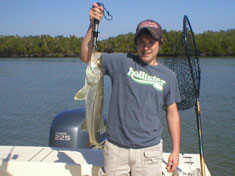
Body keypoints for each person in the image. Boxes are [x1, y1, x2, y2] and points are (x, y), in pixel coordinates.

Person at [80, 2, 181, 176]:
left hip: (149, 151)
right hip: (116, 149)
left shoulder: (169, 76)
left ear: (160, 43)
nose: (146, 47)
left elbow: (172, 113)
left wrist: (176, 150)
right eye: (141, 42)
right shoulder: (122, 62)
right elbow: (86, 57)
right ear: (135, 43)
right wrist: (92, 25)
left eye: (151, 42)